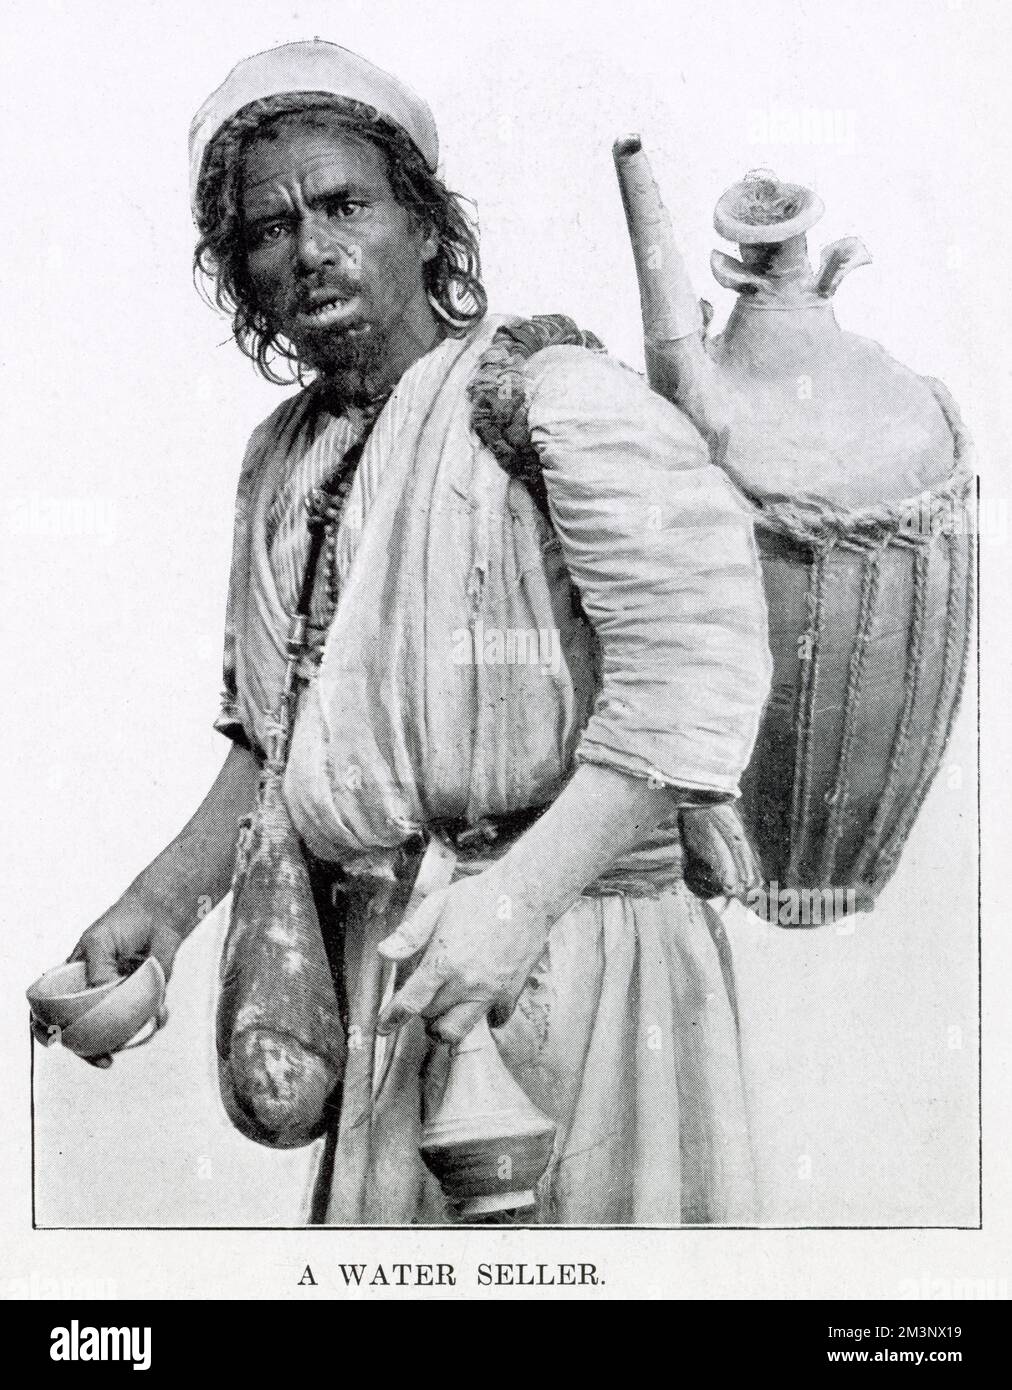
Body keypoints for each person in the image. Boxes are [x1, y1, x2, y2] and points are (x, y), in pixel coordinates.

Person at [68, 40, 772, 1225]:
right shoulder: (279, 462)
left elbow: (695, 662)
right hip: (391, 967)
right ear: (240, 271)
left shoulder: (543, 396)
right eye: (267, 228)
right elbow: (278, 742)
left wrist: (518, 900)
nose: (310, 248)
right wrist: (160, 907)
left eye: (345, 204)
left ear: (426, 224)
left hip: (584, 944)